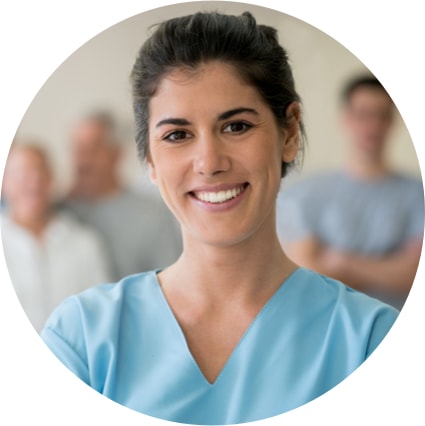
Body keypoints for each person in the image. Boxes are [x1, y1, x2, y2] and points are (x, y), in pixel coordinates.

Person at [41, 11, 399, 425]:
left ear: (289, 133)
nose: (209, 162)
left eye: (236, 126)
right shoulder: (83, 339)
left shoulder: (371, 341)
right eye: (177, 135)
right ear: (149, 160)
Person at [277, 75, 424, 310]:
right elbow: (306, 273)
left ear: (392, 121)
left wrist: (341, 261)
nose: (372, 126)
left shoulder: (418, 194)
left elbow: (412, 274)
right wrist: (387, 269)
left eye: (382, 115)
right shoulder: (305, 194)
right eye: (363, 114)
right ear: (346, 119)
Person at [1, 142, 112, 333]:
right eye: (22, 174)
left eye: (40, 172)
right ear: (5, 184)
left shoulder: (84, 241)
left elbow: (102, 310)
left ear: (52, 179)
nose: (33, 182)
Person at [63, 111, 182, 280]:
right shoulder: (58, 212)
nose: (84, 160)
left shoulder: (152, 215)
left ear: (117, 153)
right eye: (78, 149)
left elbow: (171, 282)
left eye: (94, 148)